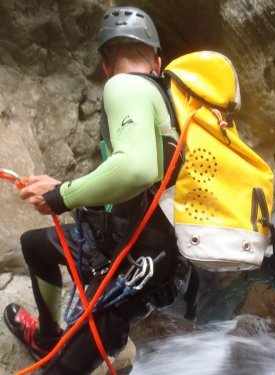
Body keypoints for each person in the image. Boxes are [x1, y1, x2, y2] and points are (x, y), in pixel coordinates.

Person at [3, 6, 181, 374]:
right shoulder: (160, 98)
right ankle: (50, 338)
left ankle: (79, 351)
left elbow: (135, 168)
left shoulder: (124, 85)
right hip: (132, 251)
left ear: (104, 65)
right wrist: (62, 188)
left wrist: (61, 195)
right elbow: (130, 178)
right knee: (35, 244)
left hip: (132, 269)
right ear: (158, 60)